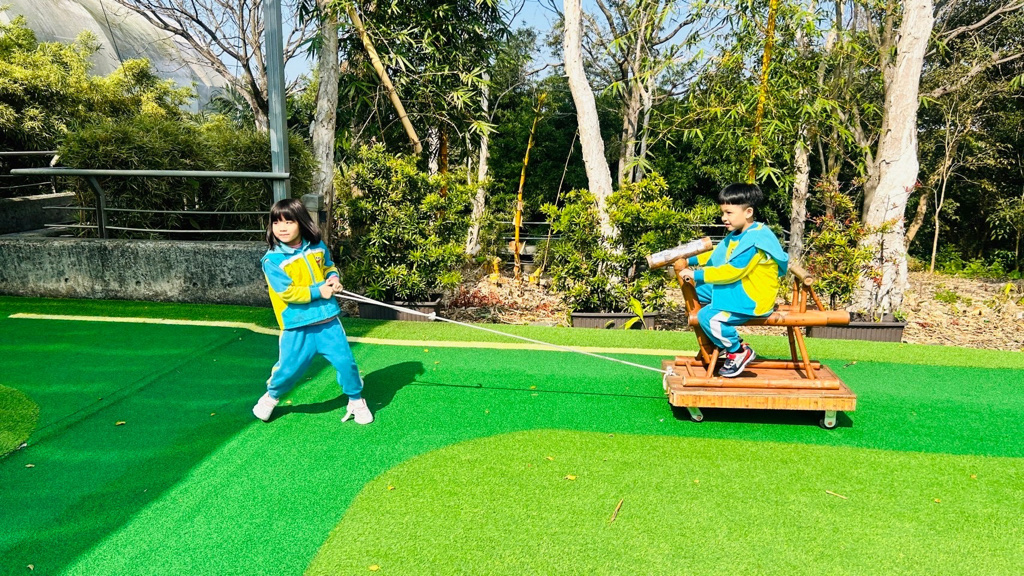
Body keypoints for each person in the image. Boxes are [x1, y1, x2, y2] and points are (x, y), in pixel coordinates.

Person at [252, 198, 373, 424]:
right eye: (276, 223)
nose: (282, 228)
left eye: (289, 222)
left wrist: (333, 278)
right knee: (288, 369)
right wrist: (319, 291)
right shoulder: (272, 260)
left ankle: (356, 399)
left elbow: (328, 266)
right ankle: (271, 397)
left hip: (328, 321)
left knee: (346, 362)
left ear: (302, 222)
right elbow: (287, 293)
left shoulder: (317, 246)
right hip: (296, 325)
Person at [679, 183, 789, 377]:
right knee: (696, 291)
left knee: (708, 317)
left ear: (748, 212)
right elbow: (718, 255)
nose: (724, 218)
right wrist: (690, 260)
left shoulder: (754, 242)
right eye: (723, 212)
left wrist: (696, 274)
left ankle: (738, 351)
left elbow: (732, 271)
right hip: (741, 287)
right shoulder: (739, 234)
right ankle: (720, 338)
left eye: (729, 213)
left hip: (753, 296)